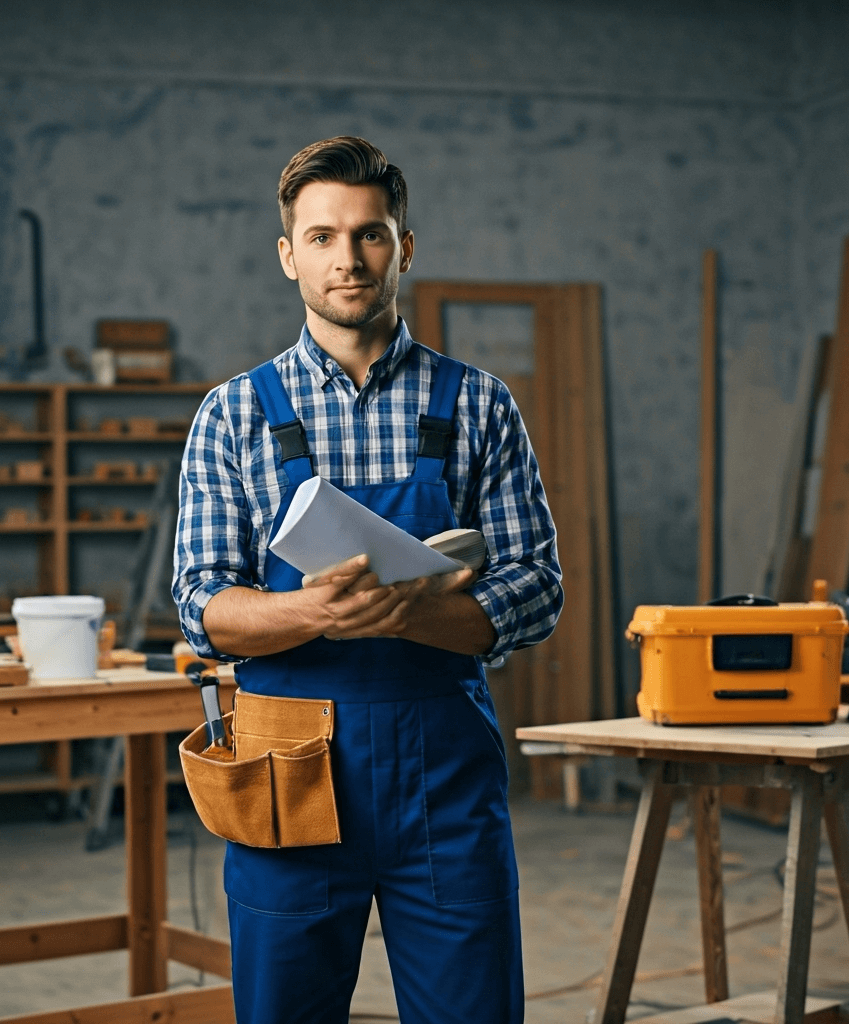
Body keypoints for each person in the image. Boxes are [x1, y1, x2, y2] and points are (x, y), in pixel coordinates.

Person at [173, 136, 562, 1024]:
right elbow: (201, 604)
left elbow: (537, 586)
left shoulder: (478, 404)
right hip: (287, 768)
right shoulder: (233, 414)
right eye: (322, 237)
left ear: (404, 247)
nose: (347, 258)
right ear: (289, 255)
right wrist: (314, 610)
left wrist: (406, 615)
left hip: (442, 772)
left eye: (370, 234)